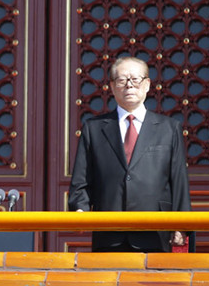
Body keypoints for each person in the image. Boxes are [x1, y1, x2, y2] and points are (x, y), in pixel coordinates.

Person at [68, 56, 190, 252]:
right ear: (112, 86)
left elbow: (179, 180)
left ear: (147, 84)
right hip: (108, 230)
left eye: (135, 79)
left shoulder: (168, 128)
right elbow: (81, 179)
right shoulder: (94, 128)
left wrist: (181, 224)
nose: (129, 85)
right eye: (122, 80)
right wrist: (79, 209)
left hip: (155, 230)